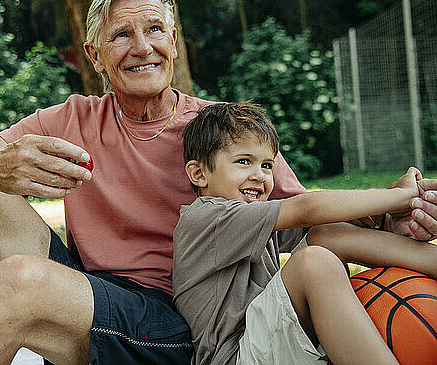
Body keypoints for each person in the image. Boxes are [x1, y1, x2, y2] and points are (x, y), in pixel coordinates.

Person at [0, 0, 437, 365]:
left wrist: (393, 219)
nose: (142, 46)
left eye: (155, 29)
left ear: (174, 44)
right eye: (121, 35)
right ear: (97, 56)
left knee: (21, 283)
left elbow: (304, 219)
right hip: (97, 290)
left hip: (180, 324)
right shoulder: (72, 117)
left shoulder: (222, 133)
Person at [173, 101, 437, 365]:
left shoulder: (253, 220)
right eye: (244, 162)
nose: (259, 175)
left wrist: (390, 221)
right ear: (199, 174)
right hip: (237, 357)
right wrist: (400, 196)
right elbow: (308, 209)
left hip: (269, 343)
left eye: (267, 165)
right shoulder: (206, 217)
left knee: (325, 235)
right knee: (312, 263)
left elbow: (324, 228)